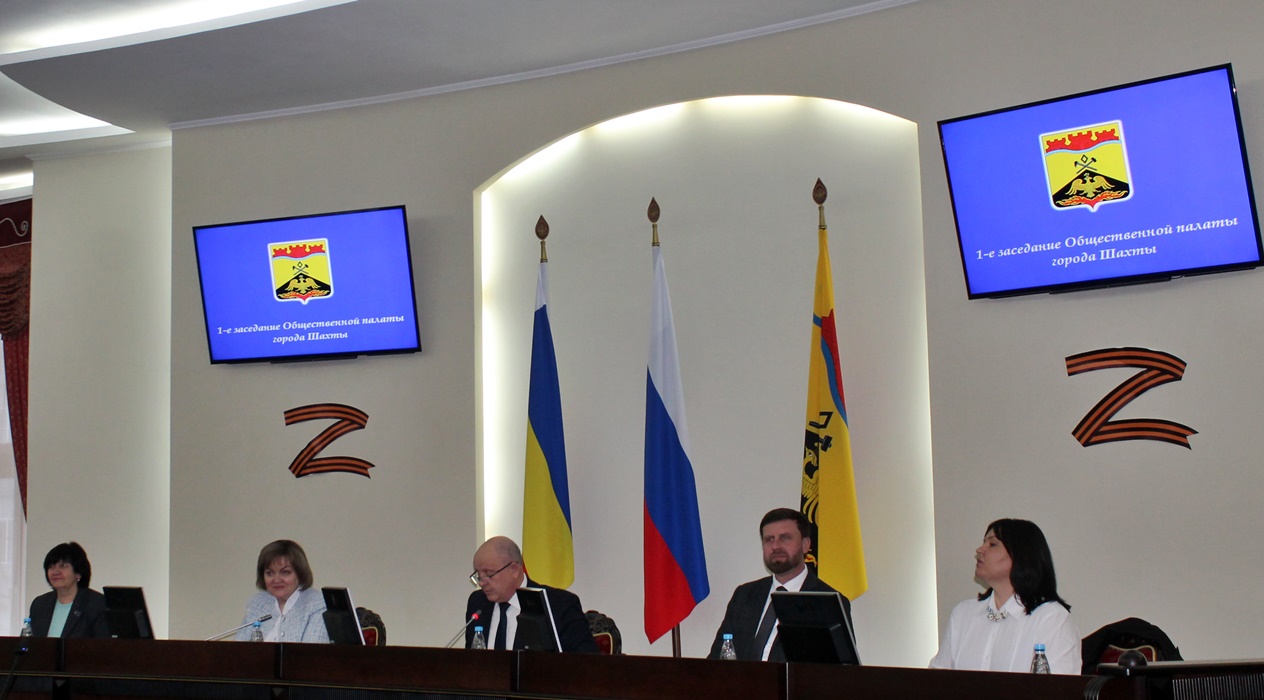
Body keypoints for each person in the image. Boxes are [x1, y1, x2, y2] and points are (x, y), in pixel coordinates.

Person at [929, 518, 1081, 674]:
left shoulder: (1051, 619)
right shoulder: (963, 614)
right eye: (984, 542)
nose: (979, 550)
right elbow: (937, 678)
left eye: (992, 544)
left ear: (1020, 554)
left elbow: (1059, 685)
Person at [707, 508, 849, 661]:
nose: (775, 546)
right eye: (769, 539)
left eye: (785, 538)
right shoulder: (745, 595)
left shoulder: (827, 602)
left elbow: (837, 669)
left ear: (805, 544)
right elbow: (718, 658)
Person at [464, 536, 598, 652]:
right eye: (478, 575)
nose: (482, 582)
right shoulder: (478, 602)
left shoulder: (559, 604)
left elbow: (587, 663)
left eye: (488, 574)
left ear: (514, 570)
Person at [235, 540, 329, 642]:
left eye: (285, 572)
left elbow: (311, 649)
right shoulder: (257, 604)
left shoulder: (318, 605)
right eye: (270, 573)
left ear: (300, 573)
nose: (277, 580)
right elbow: (239, 648)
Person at [28, 542, 109, 638]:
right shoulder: (40, 604)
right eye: (51, 566)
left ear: (78, 573)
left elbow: (104, 644)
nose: (55, 571)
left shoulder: (96, 604)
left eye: (63, 566)